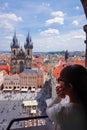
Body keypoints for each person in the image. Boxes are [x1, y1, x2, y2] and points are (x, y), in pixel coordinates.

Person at [46, 64, 87, 130]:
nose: (58, 83)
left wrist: (59, 97)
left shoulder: (61, 111)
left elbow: (48, 109)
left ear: (70, 86)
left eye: (60, 80)